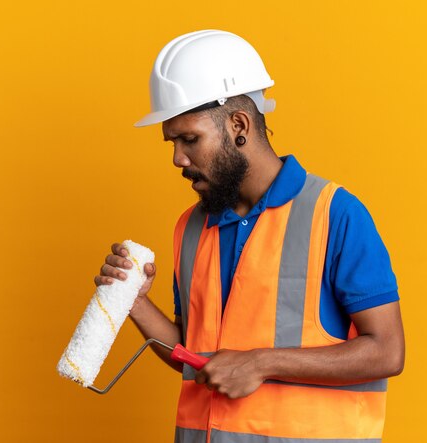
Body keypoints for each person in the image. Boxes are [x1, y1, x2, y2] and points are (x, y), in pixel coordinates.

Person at [95, 30, 405, 442]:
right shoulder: (190, 227)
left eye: (190, 139)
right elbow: (194, 358)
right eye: (172, 142)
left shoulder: (335, 214)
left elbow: (387, 350)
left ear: (238, 124)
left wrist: (261, 363)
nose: (177, 159)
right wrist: (134, 301)